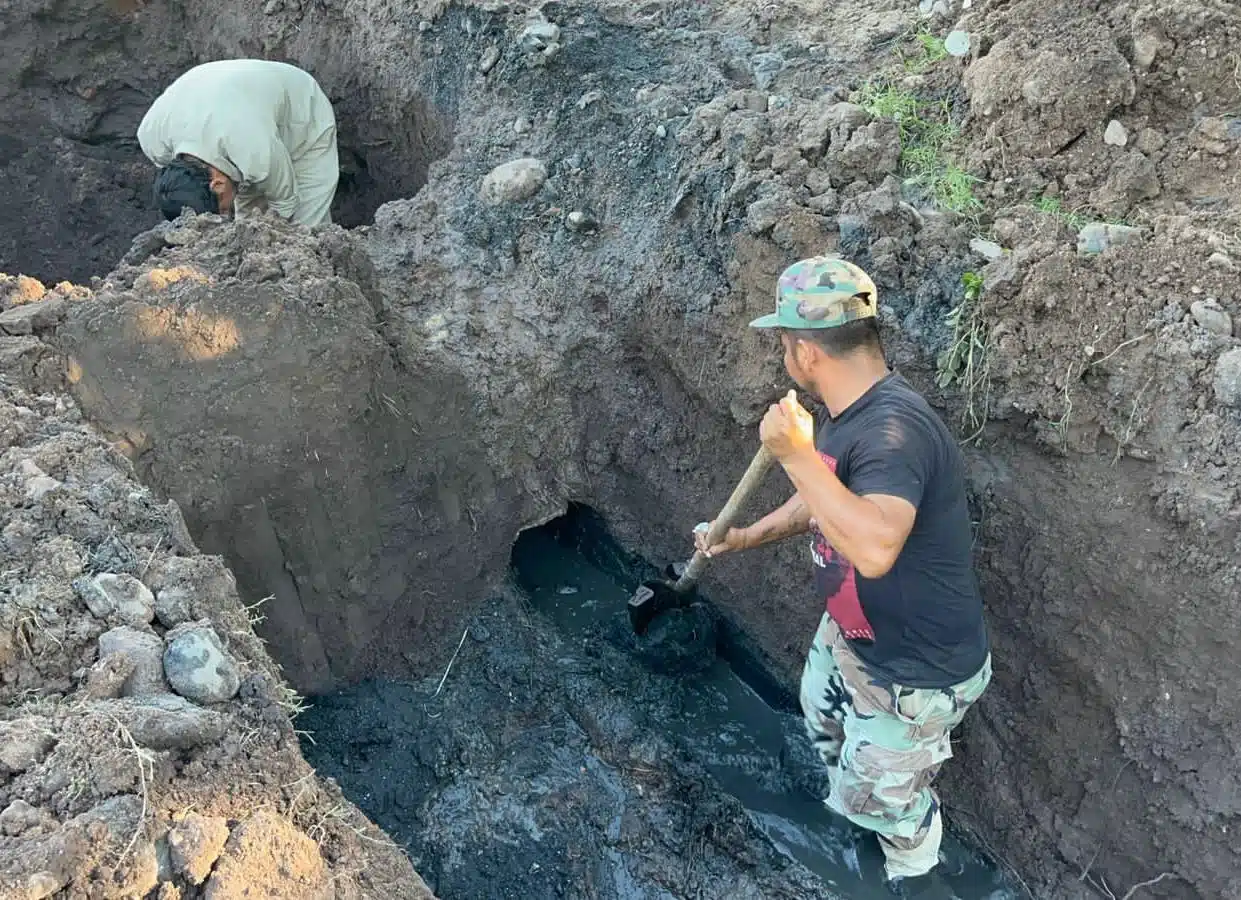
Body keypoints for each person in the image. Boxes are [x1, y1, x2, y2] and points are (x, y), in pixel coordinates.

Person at [694, 256, 991, 895]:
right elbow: (824, 498)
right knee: (818, 713)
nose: (783, 356)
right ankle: (856, 799)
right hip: (855, 634)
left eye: (781, 343)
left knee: (885, 800)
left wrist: (795, 454)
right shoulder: (846, 409)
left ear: (802, 351)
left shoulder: (893, 433)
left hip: (915, 672)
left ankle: (916, 867)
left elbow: (876, 548)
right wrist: (747, 535)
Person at [137, 59, 340, 227]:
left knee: (306, 229)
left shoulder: (255, 151)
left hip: (302, 112)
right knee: (248, 224)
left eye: (224, 210)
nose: (227, 213)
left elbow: (285, 204)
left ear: (217, 184)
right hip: (234, 96)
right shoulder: (152, 137)